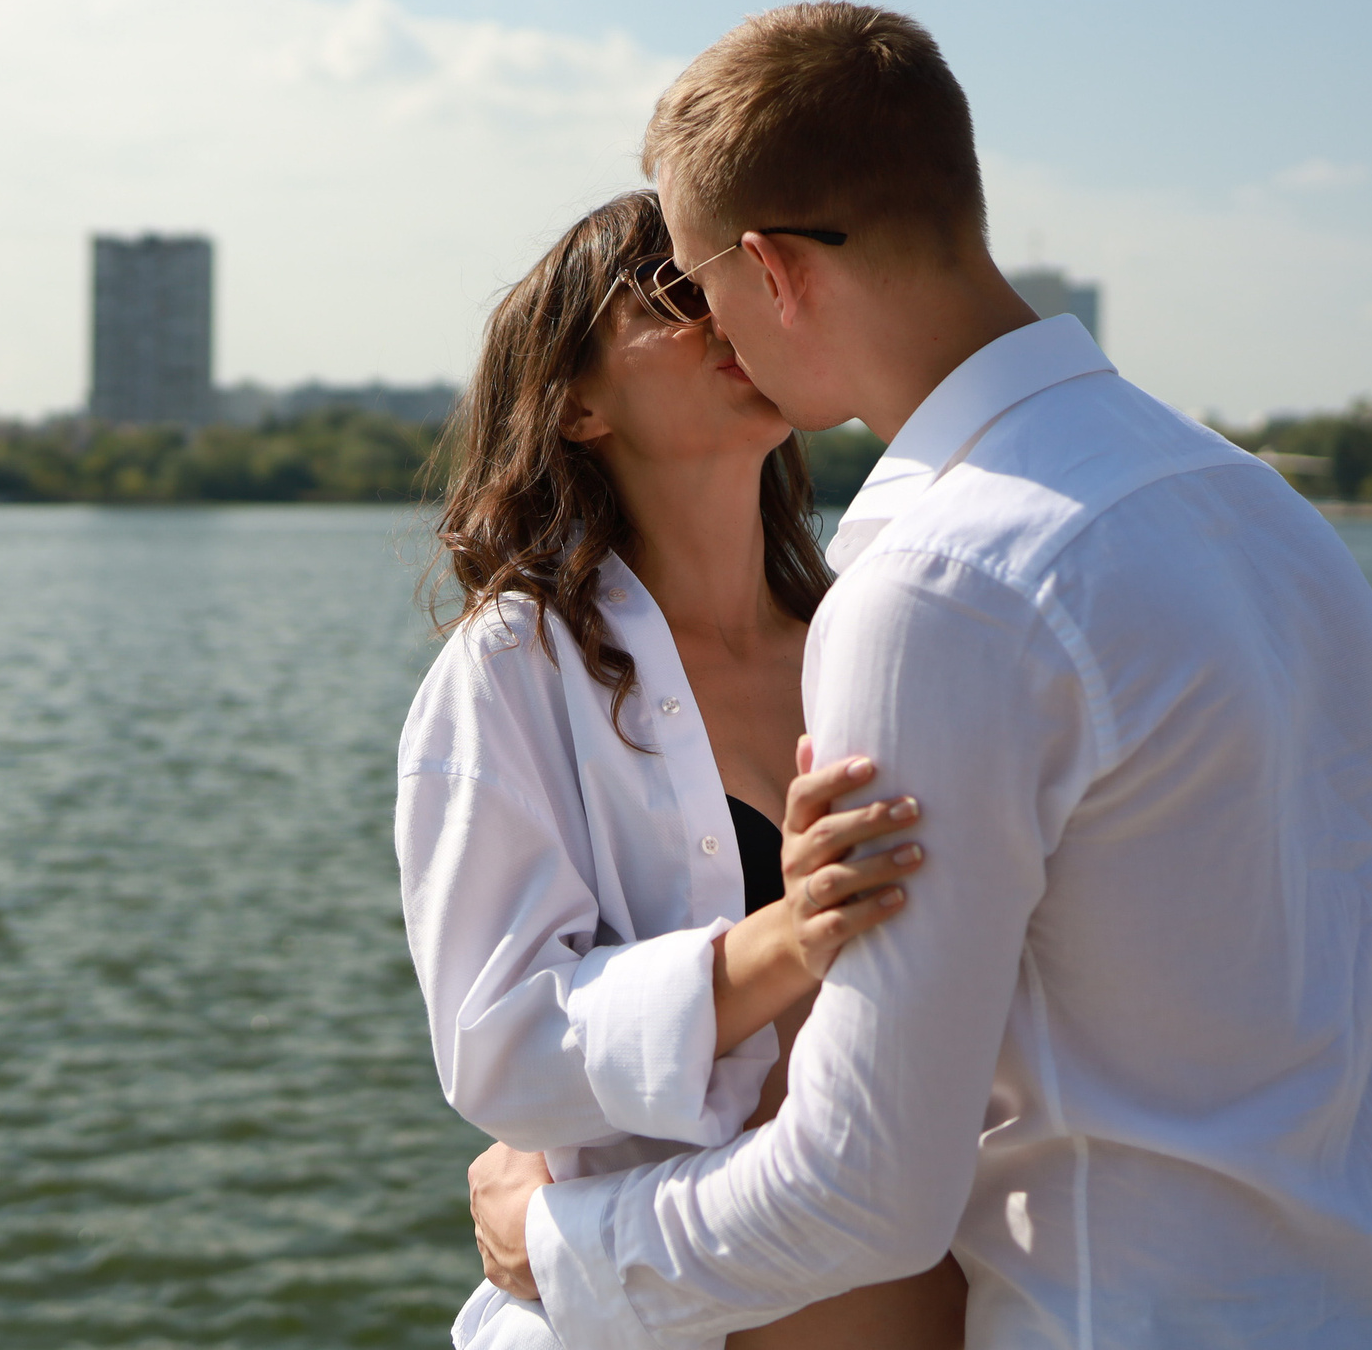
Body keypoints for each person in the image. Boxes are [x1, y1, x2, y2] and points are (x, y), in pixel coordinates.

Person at [465, 3, 1372, 1348]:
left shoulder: (939, 587)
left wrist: (552, 1241)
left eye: (698, 290)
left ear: (770, 271)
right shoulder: (1260, 514)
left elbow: (861, 1191)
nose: (712, 334)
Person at [398, 189, 966, 1350]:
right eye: (673, 292)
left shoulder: (876, 633)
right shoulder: (516, 665)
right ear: (573, 405)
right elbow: (497, 1045)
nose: (726, 312)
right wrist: (787, 933)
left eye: (737, 280)